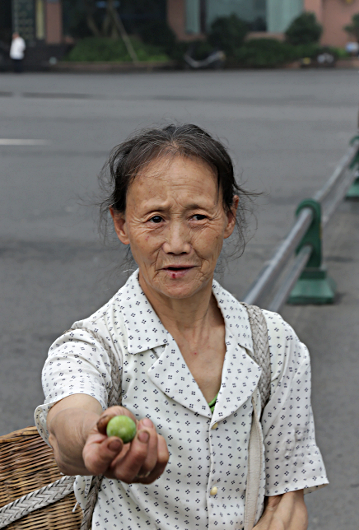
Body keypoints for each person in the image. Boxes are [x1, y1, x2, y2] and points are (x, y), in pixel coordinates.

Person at [35, 124, 328, 530]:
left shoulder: (274, 344)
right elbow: (68, 421)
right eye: (155, 219)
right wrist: (95, 438)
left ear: (230, 215)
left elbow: (286, 500)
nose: (176, 242)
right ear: (122, 225)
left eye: (197, 216)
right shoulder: (93, 344)